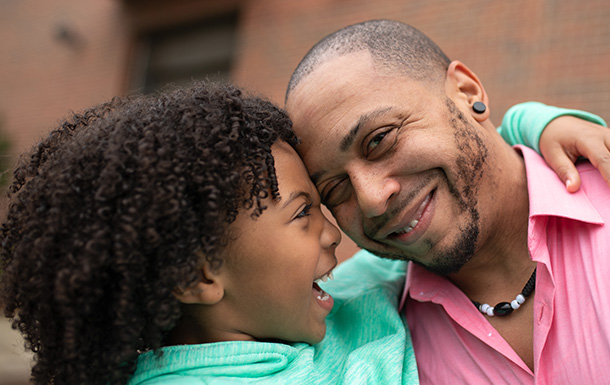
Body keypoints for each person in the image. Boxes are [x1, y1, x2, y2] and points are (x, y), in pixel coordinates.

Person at [0, 68, 605, 385]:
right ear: (197, 274)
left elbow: (446, 193)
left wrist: (528, 125)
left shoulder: (344, 302)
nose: (340, 228)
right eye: (308, 209)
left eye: (324, 203)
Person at [284, 19, 610, 384]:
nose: (373, 200)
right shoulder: (363, 340)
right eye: (334, 189)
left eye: (378, 140)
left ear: (468, 92)